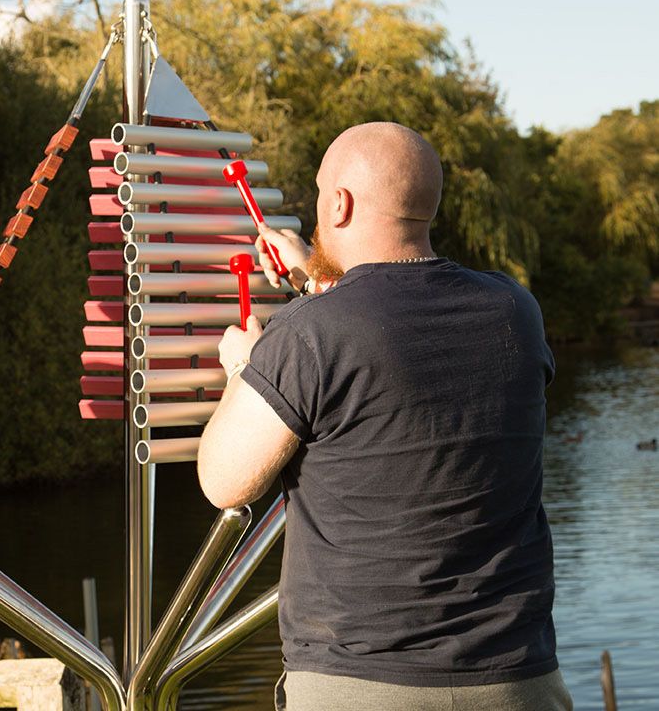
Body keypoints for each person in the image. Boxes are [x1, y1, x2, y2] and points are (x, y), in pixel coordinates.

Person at [197, 122, 572, 710]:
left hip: (362, 685)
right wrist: (319, 280)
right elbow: (392, 334)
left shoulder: (306, 335)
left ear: (339, 203)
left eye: (321, 194)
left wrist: (243, 369)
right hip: (517, 681)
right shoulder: (515, 311)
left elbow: (224, 481)